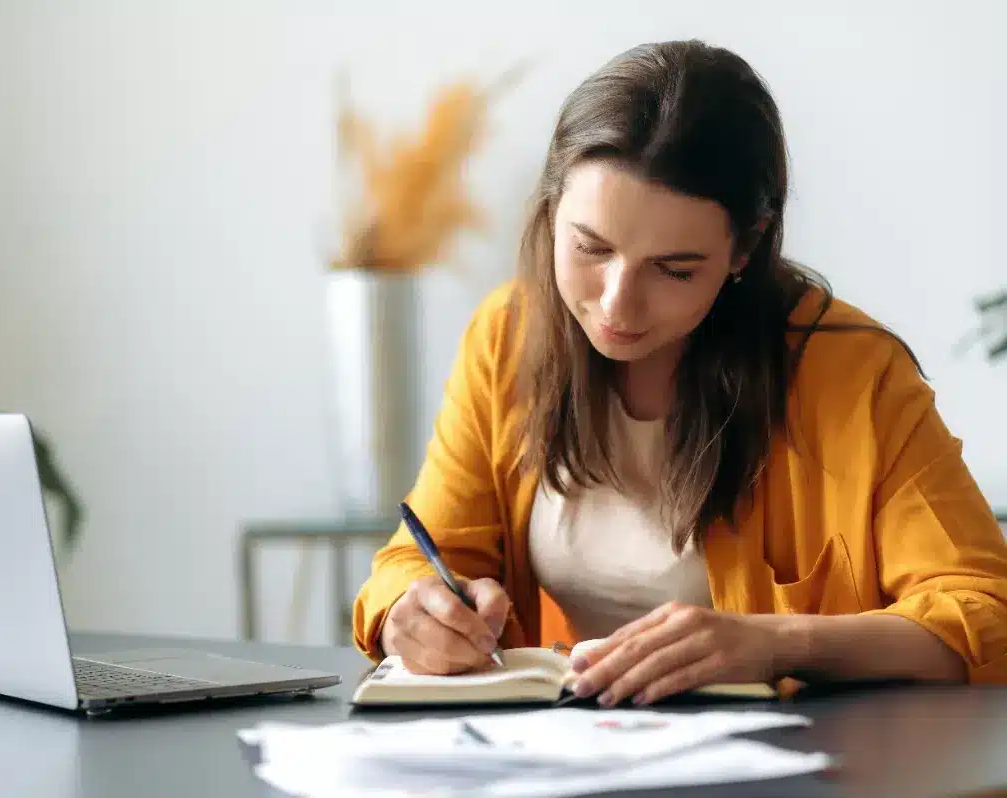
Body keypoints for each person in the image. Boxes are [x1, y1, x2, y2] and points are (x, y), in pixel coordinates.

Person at [350, 39, 1007, 705]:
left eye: (675, 269)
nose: (616, 305)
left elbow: (984, 612)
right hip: (563, 749)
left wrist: (775, 641)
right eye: (590, 248)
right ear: (551, 212)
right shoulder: (508, 336)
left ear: (745, 247)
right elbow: (422, 556)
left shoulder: (851, 372)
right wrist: (416, 608)